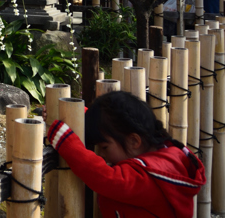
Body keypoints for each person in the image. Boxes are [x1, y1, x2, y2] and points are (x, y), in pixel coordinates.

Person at [47, 91, 205, 217]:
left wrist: (65, 140)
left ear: (134, 141)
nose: (101, 155)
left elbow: (105, 177)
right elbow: (109, 129)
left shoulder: (146, 178)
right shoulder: (167, 157)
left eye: (104, 147)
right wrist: (76, 115)